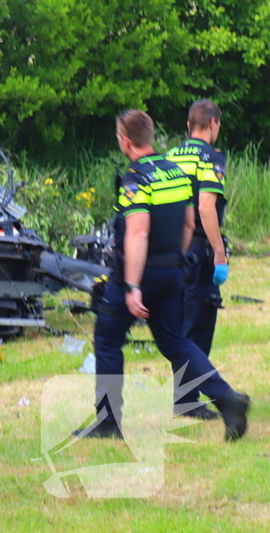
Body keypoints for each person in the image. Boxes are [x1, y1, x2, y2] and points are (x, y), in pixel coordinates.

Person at [83, 110, 249, 442]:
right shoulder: (173, 172)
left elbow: (138, 234)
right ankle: (227, 399)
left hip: (140, 274)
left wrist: (132, 285)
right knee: (175, 341)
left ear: (125, 140)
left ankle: (108, 421)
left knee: (107, 337)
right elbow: (189, 223)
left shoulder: (136, 178)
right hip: (174, 271)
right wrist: (174, 260)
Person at [166, 100, 227, 420]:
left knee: (180, 322)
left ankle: (185, 394)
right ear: (213, 123)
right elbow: (206, 208)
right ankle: (187, 398)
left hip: (172, 248)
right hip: (199, 250)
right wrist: (219, 252)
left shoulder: (171, 157)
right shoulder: (211, 158)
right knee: (199, 324)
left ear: (189, 125)